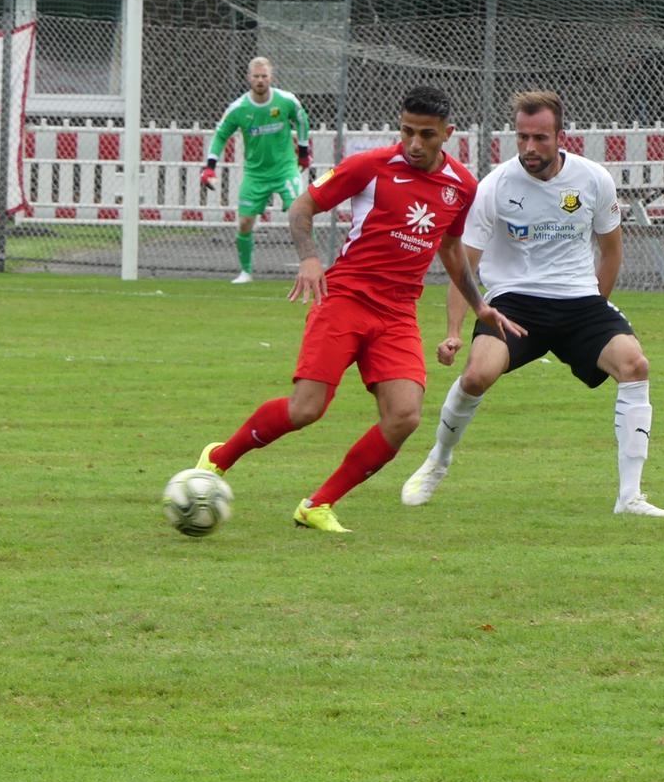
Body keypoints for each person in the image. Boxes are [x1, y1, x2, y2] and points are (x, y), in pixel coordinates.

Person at [193, 86, 523, 533]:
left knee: (404, 416)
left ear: (447, 134)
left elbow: (449, 249)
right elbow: (302, 208)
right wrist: (310, 258)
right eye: (407, 131)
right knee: (306, 409)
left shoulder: (462, 186)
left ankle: (318, 504)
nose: (414, 143)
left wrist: (478, 305)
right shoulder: (369, 166)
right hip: (346, 298)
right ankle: (219, 457)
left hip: (398, 312)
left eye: (426, 135)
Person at [401, 89, 664, 518]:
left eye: (540, 138)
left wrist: (595, 311)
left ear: (560, 136)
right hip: (515, 302)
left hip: (579, 301)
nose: (530, 147)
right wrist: (454, 332)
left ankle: (630, 498)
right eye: (523, 137)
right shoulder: (494, 187)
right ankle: (438, 459)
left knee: (635, 366)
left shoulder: (594, 180)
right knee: (476, 376)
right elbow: (462, 267)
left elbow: (611, 251)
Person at [201, 56, 313, 284]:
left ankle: (311, 267)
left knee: (300, 215)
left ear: (271, 77)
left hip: (285, 169)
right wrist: (210, 168)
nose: (260, 80)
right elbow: (221, 135)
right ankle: (246, 272)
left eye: (264, 76)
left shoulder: (285, 101)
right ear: (248, 78)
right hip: (255, 174)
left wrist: (303, 151)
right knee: (244, 223)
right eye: (256, 76)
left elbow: (302, 120)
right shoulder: (239, 109)